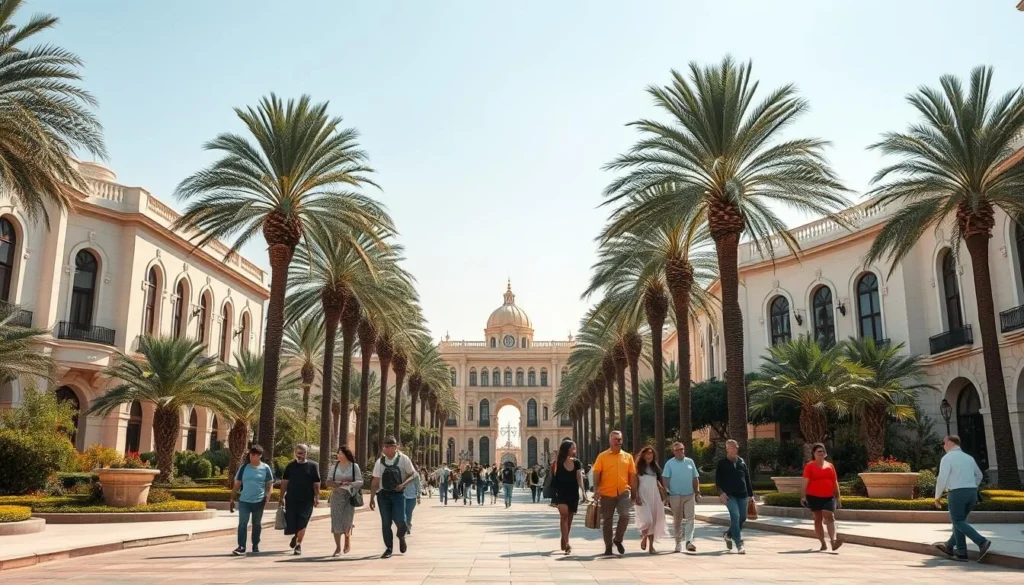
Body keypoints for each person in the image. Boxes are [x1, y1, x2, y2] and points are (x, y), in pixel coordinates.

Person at [933, 435, 992, 562]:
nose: (943, 446)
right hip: (972, 493)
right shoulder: (968, 458)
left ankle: (982, 542)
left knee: (958, 521)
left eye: (944, 443)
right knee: (960, 522)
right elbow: (979, 475)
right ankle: (957, 551)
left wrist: (937, 496)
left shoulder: (947, 458)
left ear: (949, 443)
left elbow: (941, 478)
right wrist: (972, 486)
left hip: (957, 493)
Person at [369, 436, 417, 559]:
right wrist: (372, 498)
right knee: (386, 523)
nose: (387, 449)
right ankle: (388, 548)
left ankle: (401, 536)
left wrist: (403, 484)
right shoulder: (379, 462)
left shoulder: (403, 459)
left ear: (395, 448)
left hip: (398, 495)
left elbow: (413, 474)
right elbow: (375, 481)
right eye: (385, 447)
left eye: (390, 447)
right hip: (383, 495)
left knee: (401, 521)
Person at [592, 430, 637, 556]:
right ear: (610, 440)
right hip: (607, 492)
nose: (618, 441)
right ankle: (608, 547)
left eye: (620, 439)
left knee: (625, 515)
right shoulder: (602, 456)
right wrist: (596, 488)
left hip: (623, 492)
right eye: (615, 439)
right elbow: (596, 472)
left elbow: (632, 475)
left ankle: (618, 539)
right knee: (607, 520)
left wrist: (634, 493)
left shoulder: (628, 457)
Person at [228, 445, 274, 556]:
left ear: (260, 456)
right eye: (250, 454)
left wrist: (268, 495)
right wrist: (232, 498)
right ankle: (241, 546)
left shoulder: (265, 468)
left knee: (256, 524)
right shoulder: (244, 468)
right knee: (242, 524)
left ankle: (255, 544)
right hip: (244, 501)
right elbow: (237, 484)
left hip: (259, 501)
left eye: (254, 455)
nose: (251, 456)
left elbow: (269, 484)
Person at [800, 443, 843, 552]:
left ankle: (833, 541)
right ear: (814, 454)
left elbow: (835, 482)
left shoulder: (830, 466)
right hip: (813, 496)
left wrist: (838, 496)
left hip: (828, 496)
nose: (821, 453)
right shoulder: (810, 466)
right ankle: (823, 543)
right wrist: (803, 496)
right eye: (819, 451)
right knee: (818, 519)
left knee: (829, 515)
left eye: (823, 451)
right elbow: (805, 482)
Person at [715, 439, 754, 554]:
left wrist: (751, 495)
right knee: (735, 517)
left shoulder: (742, 462)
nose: (733, 449)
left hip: (742, 495)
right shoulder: (722, 463)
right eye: (731, 447)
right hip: (729, 496)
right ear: (727, 449)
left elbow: (747, 479)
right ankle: (739, 544)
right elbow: (718, 481)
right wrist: (721, 493)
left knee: (742, 518)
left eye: (735, 447)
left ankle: (728, 534)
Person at [281, 443, 321, 556]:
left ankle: (298, 545)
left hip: (306, 500)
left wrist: (317, 496)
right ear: (295, 453)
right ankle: (296, 535)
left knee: (302, 522)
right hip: (291, 500)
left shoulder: (313, 466)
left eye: (302, 453)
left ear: (306, 453)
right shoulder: (290, 466)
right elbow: (284, 482)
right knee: (293, 523)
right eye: (298, 453)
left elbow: (316, 482)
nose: (300, 456)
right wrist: (281, 497)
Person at [662, 442, 701, 553]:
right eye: (677, 450)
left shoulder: (690, 462)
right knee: (677, 520)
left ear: (684, 450)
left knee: (690, 518)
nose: (679, 452)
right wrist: (667, 492)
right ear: (673, 452)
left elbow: (695, 477)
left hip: (689, 495)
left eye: (681, 449)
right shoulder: (670, 463)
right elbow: (665, 478)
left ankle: (688, 541)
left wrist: (697, 491)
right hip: (675, 496)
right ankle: (678, 542)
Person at [551, 440, 587, 555]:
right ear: (566, 449)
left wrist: (583, 491)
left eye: (575, 447)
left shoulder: (577, 463)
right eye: (572, 448)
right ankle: (567, 543)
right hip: (560, 494)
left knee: (569, 520)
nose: (574, 450)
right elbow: (553, 478)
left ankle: (564, 538)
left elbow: (579, 477)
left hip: (573, 494)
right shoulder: (558, 462)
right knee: (564, 516)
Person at [326, 445, 363, 557]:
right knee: (336, 522)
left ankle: (347, 537)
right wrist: (335, 483)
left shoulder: (354, 466)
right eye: (338, 453)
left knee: (347, 520)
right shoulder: (334, 467)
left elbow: (360, 481)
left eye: (341, 453)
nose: (339, 455)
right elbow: (328, 482)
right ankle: (338, 548)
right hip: (337, 496)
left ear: (346, 455)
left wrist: (350, 483)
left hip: (349, 496)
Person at [633, 446, 667, 554]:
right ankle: (644, 537)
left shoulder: (655, 467)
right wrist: (636, 496)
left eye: (651, 453)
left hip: (654, 496)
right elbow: (635, 484)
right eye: (647, 453)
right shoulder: (638, 468)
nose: (649, 456)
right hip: (643, 496)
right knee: (648, 520)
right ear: (643, 455)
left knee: (654, 521)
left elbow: (658, 482)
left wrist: (663, 492)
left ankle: (651, 547)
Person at [404, 462, 422, 533]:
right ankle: (406, 525)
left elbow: (418, 485)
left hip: (412, 497)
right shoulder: (402, 474)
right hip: (402, 496)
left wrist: (418, 497)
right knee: (403, 512)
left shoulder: (415, 475)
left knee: (409, 512)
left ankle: (408, 525)